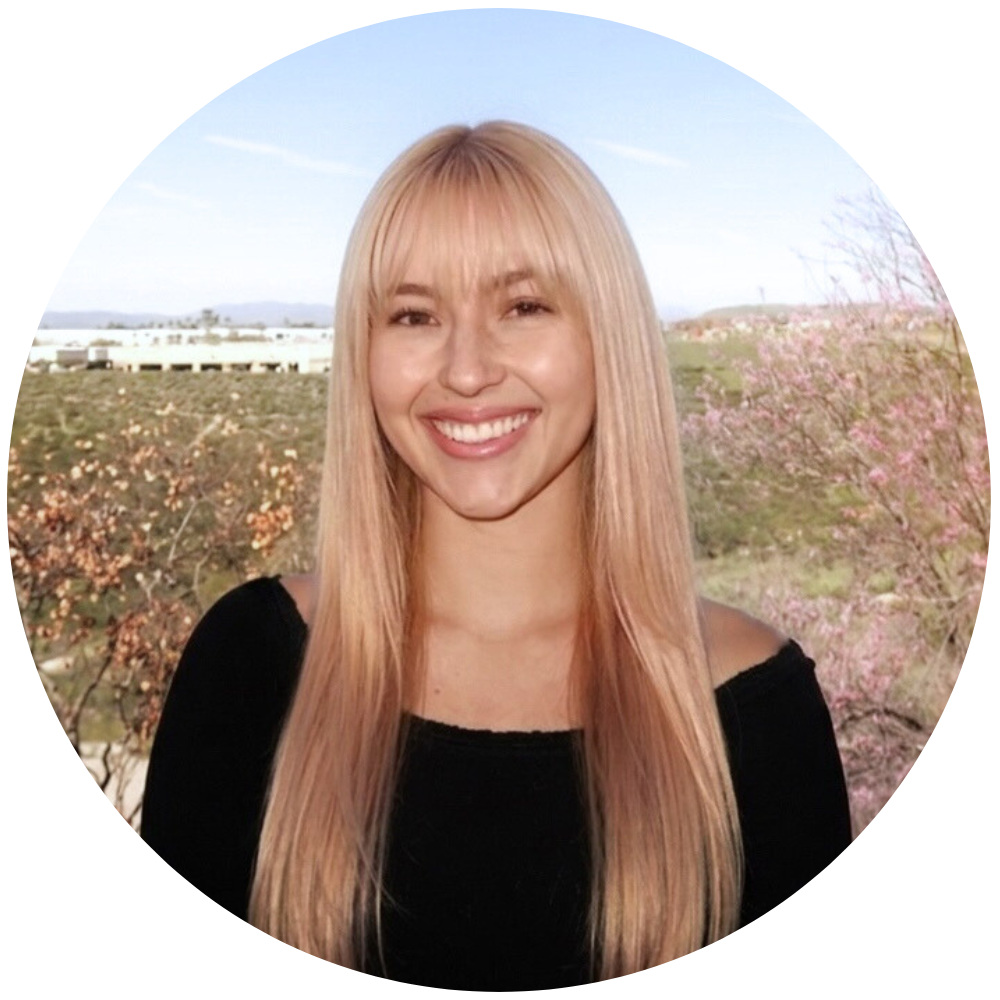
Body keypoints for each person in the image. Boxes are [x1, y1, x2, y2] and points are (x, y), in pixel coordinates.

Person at [141, 121, 852, 989]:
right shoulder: (251, 662)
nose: (467, 370)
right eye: (415, 315)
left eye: (523, 307)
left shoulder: (756, 707)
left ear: (608, 336)